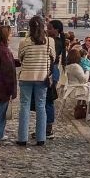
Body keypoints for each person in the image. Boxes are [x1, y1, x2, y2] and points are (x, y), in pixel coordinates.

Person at [16, 17, 55, 146]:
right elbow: (53, 57)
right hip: (41, 77)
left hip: (26, 76)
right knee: (41, 106)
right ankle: (41, 137)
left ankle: (22, 138)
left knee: (24, 106)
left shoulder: (24, 41)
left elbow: (21, 57)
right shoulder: (49, 41)